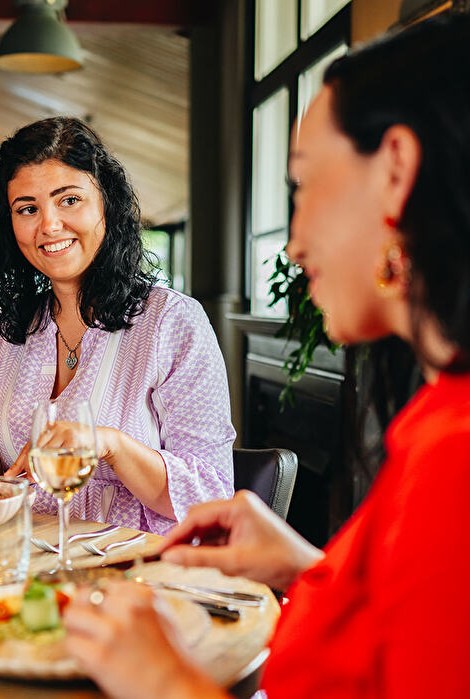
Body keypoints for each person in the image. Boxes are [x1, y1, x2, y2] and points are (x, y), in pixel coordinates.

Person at [63, 14, 470, 698]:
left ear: (396, 170)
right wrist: (307, 568)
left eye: (303, 188)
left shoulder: (454, 456)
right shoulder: (438, 410)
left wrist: (164, 682)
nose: (292, 242)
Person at [0, 117, 235, 534]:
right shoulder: (7, 331)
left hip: (143, 570)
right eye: (28, 209)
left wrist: (109, 445)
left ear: (106, 203)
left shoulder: (171, 321)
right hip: (27, 559)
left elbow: (211, 496)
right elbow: (3, 478)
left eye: (69, 200)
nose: (49, 225)